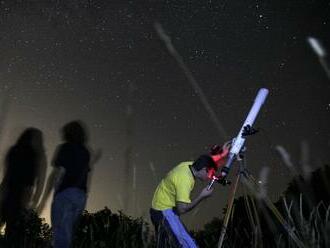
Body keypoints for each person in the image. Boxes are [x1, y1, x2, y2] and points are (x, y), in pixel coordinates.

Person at [150, 142, 230, 248]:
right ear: (203, 170)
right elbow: (181, 209)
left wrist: (221, 155)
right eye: (210, 173)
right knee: (187, 245)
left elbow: (206, 161)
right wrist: (202, 196)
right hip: (163, 211)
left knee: (169, 243)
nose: (210, 177)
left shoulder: (190, 165)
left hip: (161, 206)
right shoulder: (185, 180)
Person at [38, 120, 100, 248]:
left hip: (65, 193)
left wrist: (44, 198)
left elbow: (56, 174)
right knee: (67, 235)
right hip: (81, 195)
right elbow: (86, 175)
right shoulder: (86, 152)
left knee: (60, 237)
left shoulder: (65, 147)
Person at [0, 128, 46, 241]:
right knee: (13, 231)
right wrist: (36, 201)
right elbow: (40, 180)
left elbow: (6, 174)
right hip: (22, 194)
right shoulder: (38, 156)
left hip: (8, 190)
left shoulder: (13, 151)